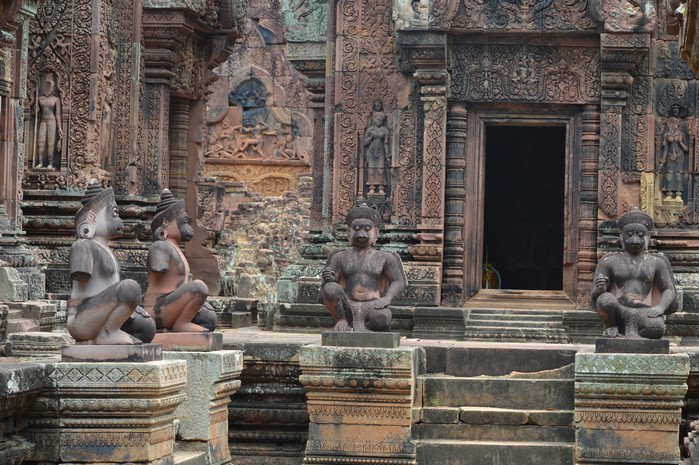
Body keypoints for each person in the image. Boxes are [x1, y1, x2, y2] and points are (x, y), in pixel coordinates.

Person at [68, 179, 156, 344]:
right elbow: (81, 276)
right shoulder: (83, 245)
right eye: (114, 214)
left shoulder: (106, 250)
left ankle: (110, 331)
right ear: (92, 221)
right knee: (130, 288)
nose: (119, 220)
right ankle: (108, 333)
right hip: (83, 319)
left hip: (104, 313)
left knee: (146, 328)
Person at [590, 208, 678, 339]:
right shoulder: (609, 260)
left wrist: (660, 308)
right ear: (621, 236)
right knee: (605, 300)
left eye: (640, 235)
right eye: (630, 234)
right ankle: (612, 327)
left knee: (657, 327)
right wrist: (599, 288)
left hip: (644, 311)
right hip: (618, 310)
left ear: (648, 237)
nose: (635, 240)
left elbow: (668, 290)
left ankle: (633, 336)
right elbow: (594, 298)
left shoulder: (657, 262)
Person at [321, 203, 407, 331]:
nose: (361, 233)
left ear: (376, 233)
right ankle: (343, 320)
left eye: (367, 228)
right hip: (347, 305)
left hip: (374, 305)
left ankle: (364, 328)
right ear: (349, 232)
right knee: (330, 288)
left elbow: (399, 281)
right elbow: (327, 289)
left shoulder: (385, 257)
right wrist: (329, 279)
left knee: (382, 319)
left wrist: (387, 298)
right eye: (356, 228)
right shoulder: (339, 256)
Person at [143, 189, 217, 332]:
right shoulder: (160, 246)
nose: (188, 227)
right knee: (198, 287)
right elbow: (158, 268)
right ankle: (181, 324)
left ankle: (180, 323)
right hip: (157, 309)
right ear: (165, 227)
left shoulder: (175, 248)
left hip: (173, 304)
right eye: (183, 222)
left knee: (209, 318)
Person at [658, 103, 689, 201]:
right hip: (670, 157)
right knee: (669, 174)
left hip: (680, 157)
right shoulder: (666, 135)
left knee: (679, 174)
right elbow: (666, 148)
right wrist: (662, 160)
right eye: (672, 123)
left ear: (679, 124)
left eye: (676, 124)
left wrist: (680, 142)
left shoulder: (682, 134)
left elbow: (686, 149)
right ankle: (669, 193)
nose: (674, 125)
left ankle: (678, 193)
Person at [35, 76, 63, 170]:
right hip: (43, 121)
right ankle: (40, 162)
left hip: (52, 121)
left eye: (49, 86)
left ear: (53, 88)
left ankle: (50, 163)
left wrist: (60, 128)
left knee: (51, 143)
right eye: (46, 86)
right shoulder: (40, 99)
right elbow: (33, 113)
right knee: (40, 142)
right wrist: (35, 110)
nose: (48, 88)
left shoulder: (56, 99)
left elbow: (58, 115)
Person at [364, 108, 390, 196]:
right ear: (374, 119)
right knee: (371, 170)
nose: (379, 121)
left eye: (381, 120)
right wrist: (370, 137)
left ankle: (381, 188)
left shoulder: (385, 130)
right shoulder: (370, 130)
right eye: (377, 119)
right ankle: (371, 187)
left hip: (381, 152)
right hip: (371, 152)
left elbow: (386, 143)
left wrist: (387, 156)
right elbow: (364, 142)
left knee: (380, 170)